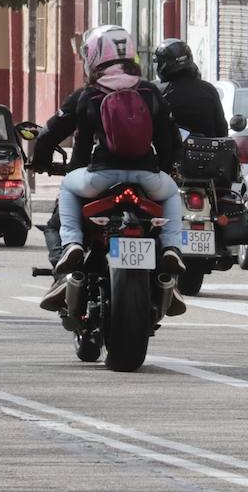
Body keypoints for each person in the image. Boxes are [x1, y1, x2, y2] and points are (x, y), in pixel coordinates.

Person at [30, 25, 186, 315]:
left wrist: (39, 162)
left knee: (66, 193)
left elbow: (47, 136)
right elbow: (171, 141)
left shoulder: (87, 95)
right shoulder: (150, 92)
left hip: (100, 178)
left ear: (93, 56)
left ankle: (72, 246)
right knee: (172, 194)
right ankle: (171, 250)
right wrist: (165, 171)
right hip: (147, 178)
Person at [153, 38, 228, 138]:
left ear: (162, 64)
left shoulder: (159, 91)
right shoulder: (209, 89)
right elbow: (222, 130)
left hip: (172, 152)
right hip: (208, 151)